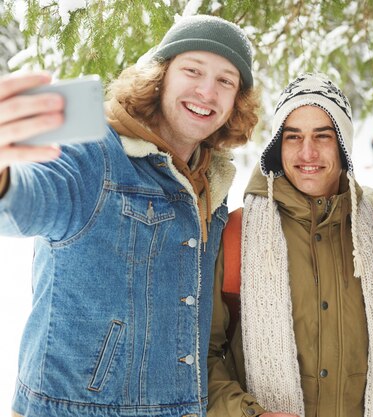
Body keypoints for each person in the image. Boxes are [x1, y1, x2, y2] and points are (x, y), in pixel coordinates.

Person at [0, 15, 259, 417]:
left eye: (226, 80)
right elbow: (28, 199)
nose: (208, 91)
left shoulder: (212, 182)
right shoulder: (95, 147)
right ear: (160, 76)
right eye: (192, 70)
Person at [206, 73, 373, 417]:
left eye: (323, 136)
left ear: (344, 146)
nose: (308, 152)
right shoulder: (239, 232)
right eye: (293, 137)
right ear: (277, 146)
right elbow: (203, 354)